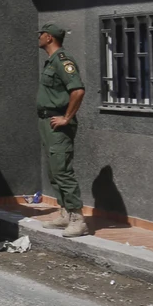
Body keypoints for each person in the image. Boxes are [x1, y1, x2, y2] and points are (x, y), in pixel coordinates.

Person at [36, 23, 89, 238]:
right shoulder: (51, 61)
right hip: (47, 122)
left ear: (49, 37)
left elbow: (77, 90)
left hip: (58, 123)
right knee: (53, 170)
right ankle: (65, 212)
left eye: (41, 34)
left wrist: (67, 117)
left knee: (62, 170)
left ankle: (78, 218)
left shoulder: (62, 61)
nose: (38, 37)